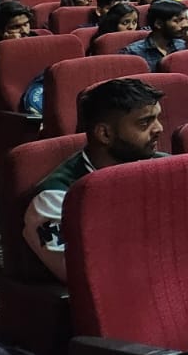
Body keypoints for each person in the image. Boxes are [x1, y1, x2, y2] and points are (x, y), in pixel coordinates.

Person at [24, 77, 164, 280]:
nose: (159, 129)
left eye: (157, 118)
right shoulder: (56, 198)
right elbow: (80, 275)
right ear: (105, 134)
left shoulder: (166, 167)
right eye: (145, 123)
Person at [122, 0, 188, 71]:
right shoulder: (133, 53)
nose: (185, 25)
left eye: (185, 19)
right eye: (176, 21)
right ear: (158, 23)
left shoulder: (183, 45)